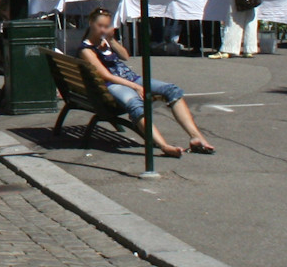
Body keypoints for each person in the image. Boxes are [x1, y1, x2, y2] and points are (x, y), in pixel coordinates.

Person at [73, 8, 214, 156]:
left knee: (172, 90)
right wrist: (135, 87)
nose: (103, 29)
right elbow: (106, 76)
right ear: (91, 23)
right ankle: (164, 146)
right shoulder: (86, 50)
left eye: (106, 26)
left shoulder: (105, 42)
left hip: (131, 78)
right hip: (114, 85)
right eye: (100, 26)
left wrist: (111, 40)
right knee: (134, 103)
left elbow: (125, 56)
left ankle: (196, 137)